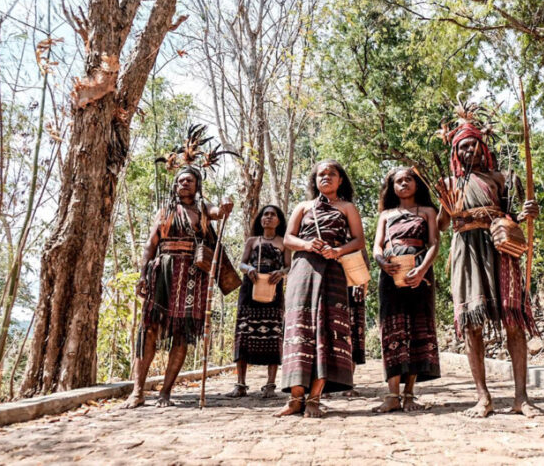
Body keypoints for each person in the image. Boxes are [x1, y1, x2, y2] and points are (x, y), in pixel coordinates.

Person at [437, 118, 540, 418]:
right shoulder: (449, 184)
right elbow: (443, 226)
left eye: (473, 144)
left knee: (513, 321)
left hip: (499, 249)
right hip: (467, 252)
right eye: (463, 147)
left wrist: (525, 213)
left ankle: (521, 397)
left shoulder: (501, 179)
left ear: (483, 147)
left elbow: (513, 217)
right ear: (456, 153)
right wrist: (450, 208)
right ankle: (483, 397)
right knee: (472, 323)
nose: (469, 150)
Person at [123, 164, 233, 409]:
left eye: (190, 181)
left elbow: (219, 211)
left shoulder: (203, 209)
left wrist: (226, 204)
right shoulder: (165, 211)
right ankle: (138, 391)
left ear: (197, 186)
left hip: (193, 276)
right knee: (149, 330)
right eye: (181, 181)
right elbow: (150, 245)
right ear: (175, 185)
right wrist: (143, 274)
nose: (184, 184)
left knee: (182, 333)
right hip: (163, 273)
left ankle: (165, 392)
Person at [274, 160, 365, 418]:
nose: (326, 177)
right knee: (299, 329)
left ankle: (314, 398)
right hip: (302, 271)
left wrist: (337, 250)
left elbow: (359, 240)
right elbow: (288, 238)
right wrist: (306, 244)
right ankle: (295, 399)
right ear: (314, 181)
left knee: (326, 329)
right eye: (321, 174)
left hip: (333, 272)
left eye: (331, 174)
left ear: (340, 180)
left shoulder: (347, 208)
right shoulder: (303, 207)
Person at [372, 167, 441, 413]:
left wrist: (422, 270)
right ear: (392, 187)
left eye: (408, 179)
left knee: (416, 330)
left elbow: (434, 243)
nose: (404, 184)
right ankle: (392, 395)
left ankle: (410, 393)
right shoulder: (386, 215)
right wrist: (381, 262)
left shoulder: (427, 211)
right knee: (392, 330)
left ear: (417, 184)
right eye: (399, 181)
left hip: (419, 274)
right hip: (390, 276)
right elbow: (377, 246)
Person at [228, 205, 291, 399]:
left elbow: (289, 266)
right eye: (265, 214)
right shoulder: (252, 241)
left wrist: (280, 273)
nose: (268, 217)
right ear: (260, 219)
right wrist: (249, 269)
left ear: (279, 220)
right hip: (250, 291)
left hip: (273, 292)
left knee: (273, 335)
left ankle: (270, 385)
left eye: (273, 215)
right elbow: (242, 263)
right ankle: (240, 384)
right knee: (244, 334)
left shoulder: (284, 242)